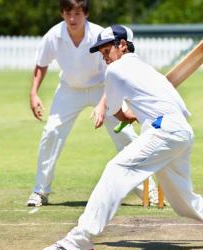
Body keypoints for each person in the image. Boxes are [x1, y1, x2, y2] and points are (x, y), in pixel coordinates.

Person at [42, 24, 203, 250]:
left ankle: (79, 240)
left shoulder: (116, 70)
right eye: (101, 53)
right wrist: (138, 115)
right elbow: (176, 108)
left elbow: (116, 111)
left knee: (116, 169)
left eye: (107, 51)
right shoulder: (148, 71)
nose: (104, 58)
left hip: (163, 131)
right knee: (183, 202)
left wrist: (128, 116)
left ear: (123, 46)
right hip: (180, 131)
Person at [27, 0, 158, 207]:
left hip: (102, 88)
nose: (72, 19)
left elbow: (111, 73)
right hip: (69, 89)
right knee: (51, 132)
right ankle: (40, 191)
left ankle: (148, 192)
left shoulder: (98, 35)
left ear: (85, 14)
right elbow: (41, 64)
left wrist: (103, 105)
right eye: (68, 13)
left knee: (124, 133)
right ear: (62, 13)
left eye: (77, 13)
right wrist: (34, 93)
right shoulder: (54, 35)